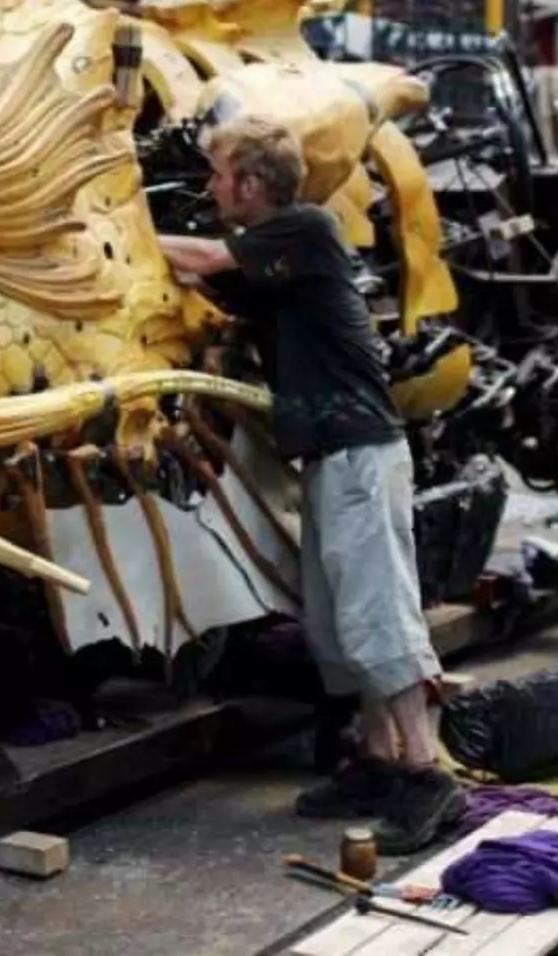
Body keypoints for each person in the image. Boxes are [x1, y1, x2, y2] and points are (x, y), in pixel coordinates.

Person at [159, 113, 464, 855]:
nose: (211, 187)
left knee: (376, 612)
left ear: (253, 184)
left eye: (220, 174)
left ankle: (428, 778)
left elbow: (198, 254)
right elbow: (201, 275)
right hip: (331, 457)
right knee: (337, 624)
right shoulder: (275, 261)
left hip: (361, 454)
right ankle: (380, 760)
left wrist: (111, 225)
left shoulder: (305, 228)